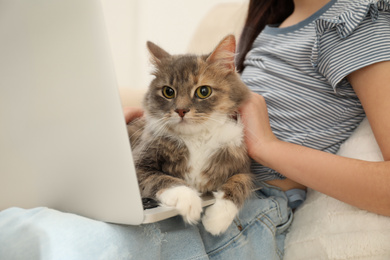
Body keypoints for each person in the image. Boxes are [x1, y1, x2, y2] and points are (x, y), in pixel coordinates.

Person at [1, 0, 389, 259]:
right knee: (18, 222)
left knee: (43, 240)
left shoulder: (356, 21)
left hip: (249, 204)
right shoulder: (276, 18)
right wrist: (131, 116)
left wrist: (266, 147)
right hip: (190, 181)